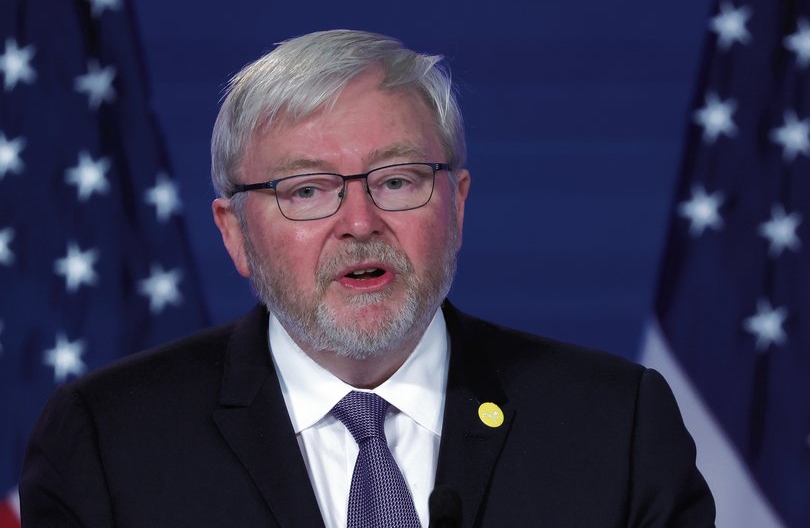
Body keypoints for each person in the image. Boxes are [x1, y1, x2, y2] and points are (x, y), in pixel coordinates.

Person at [20, 30, 715, 527]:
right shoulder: (110, 442)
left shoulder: (614, 425)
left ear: (458, 203)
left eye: (397, 180)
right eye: (306, 191)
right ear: (235, 234)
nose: (359, 222)